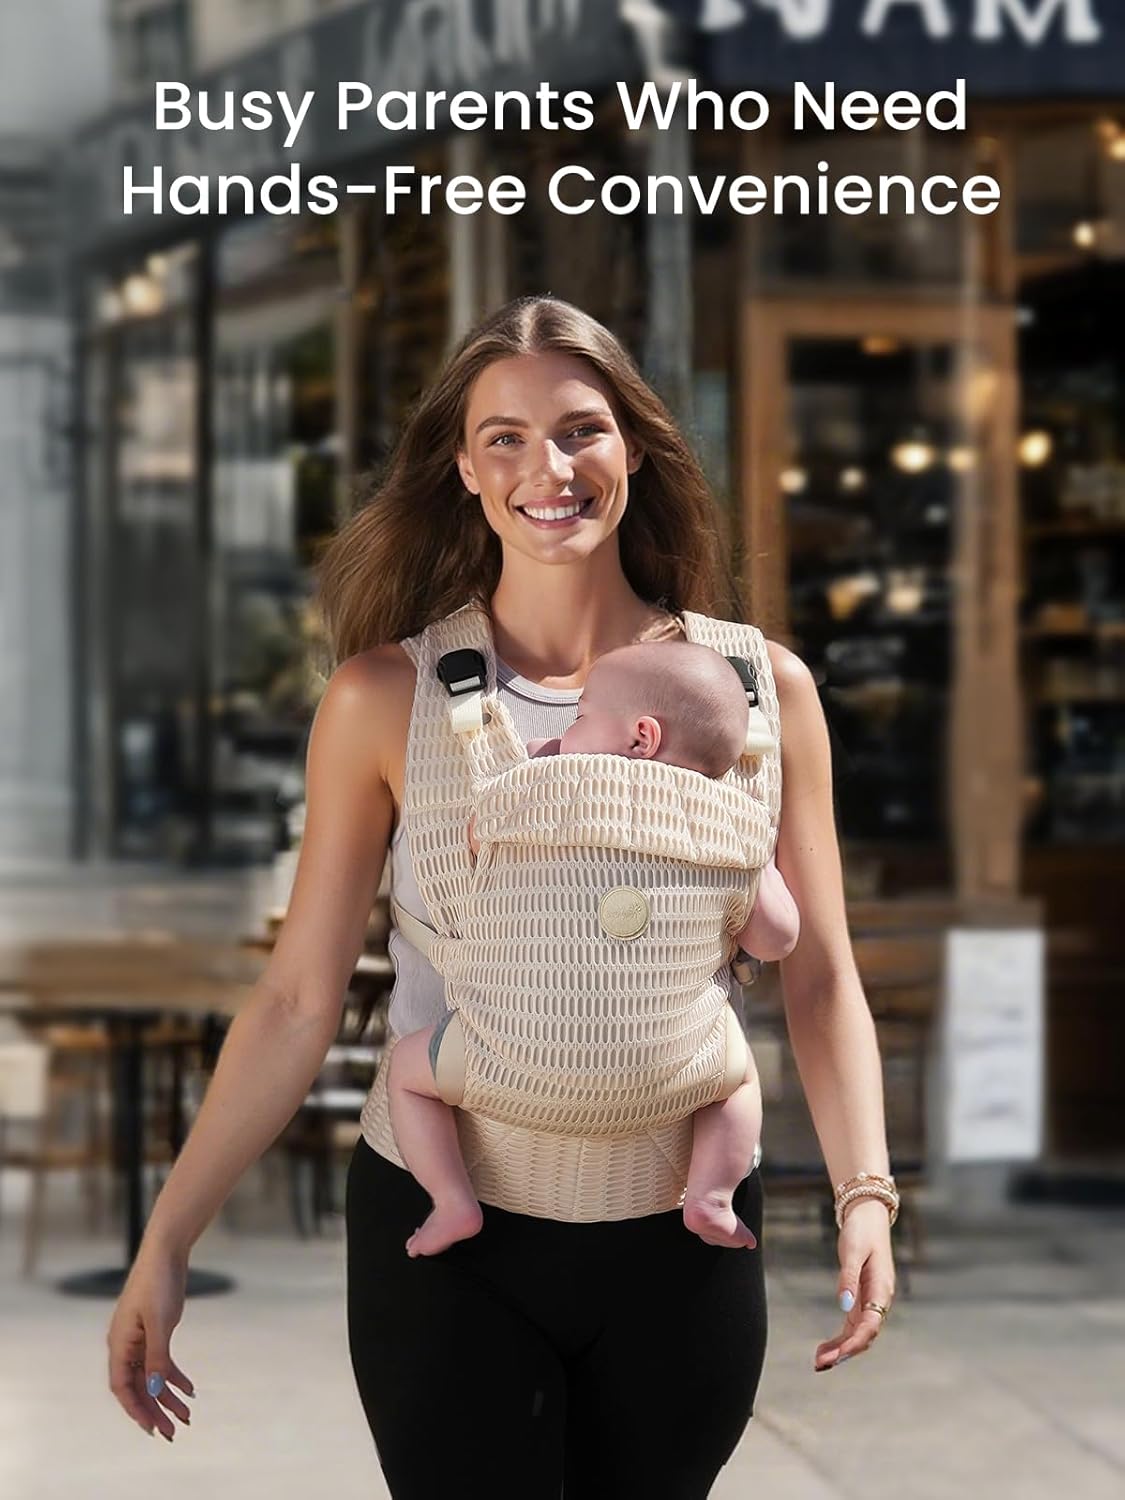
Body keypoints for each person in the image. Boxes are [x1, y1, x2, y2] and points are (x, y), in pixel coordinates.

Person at [106, 295, 898, 1499]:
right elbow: (298, 999)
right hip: (448, 1258)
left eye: (582, 430)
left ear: (635, 448)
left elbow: (822, 975)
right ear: (466, 470)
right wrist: (167, 1241)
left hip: (681, 1247)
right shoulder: (385, 698)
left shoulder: (761, 690)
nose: (550, 469)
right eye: (506, 439)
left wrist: (865, 1195)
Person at [389, 638, 801, 1259]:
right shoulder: (735, 825)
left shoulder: (534, 787)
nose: (568, 732)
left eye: (581, 717)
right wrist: (755, 865)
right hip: (671, 1077)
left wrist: (539, 764)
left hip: (505, 1062)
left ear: (641, 738)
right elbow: (777, 939)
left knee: (406, 1073)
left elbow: (475, 840)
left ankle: (451, 1201)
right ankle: (712, 1195)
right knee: (739, 1082)